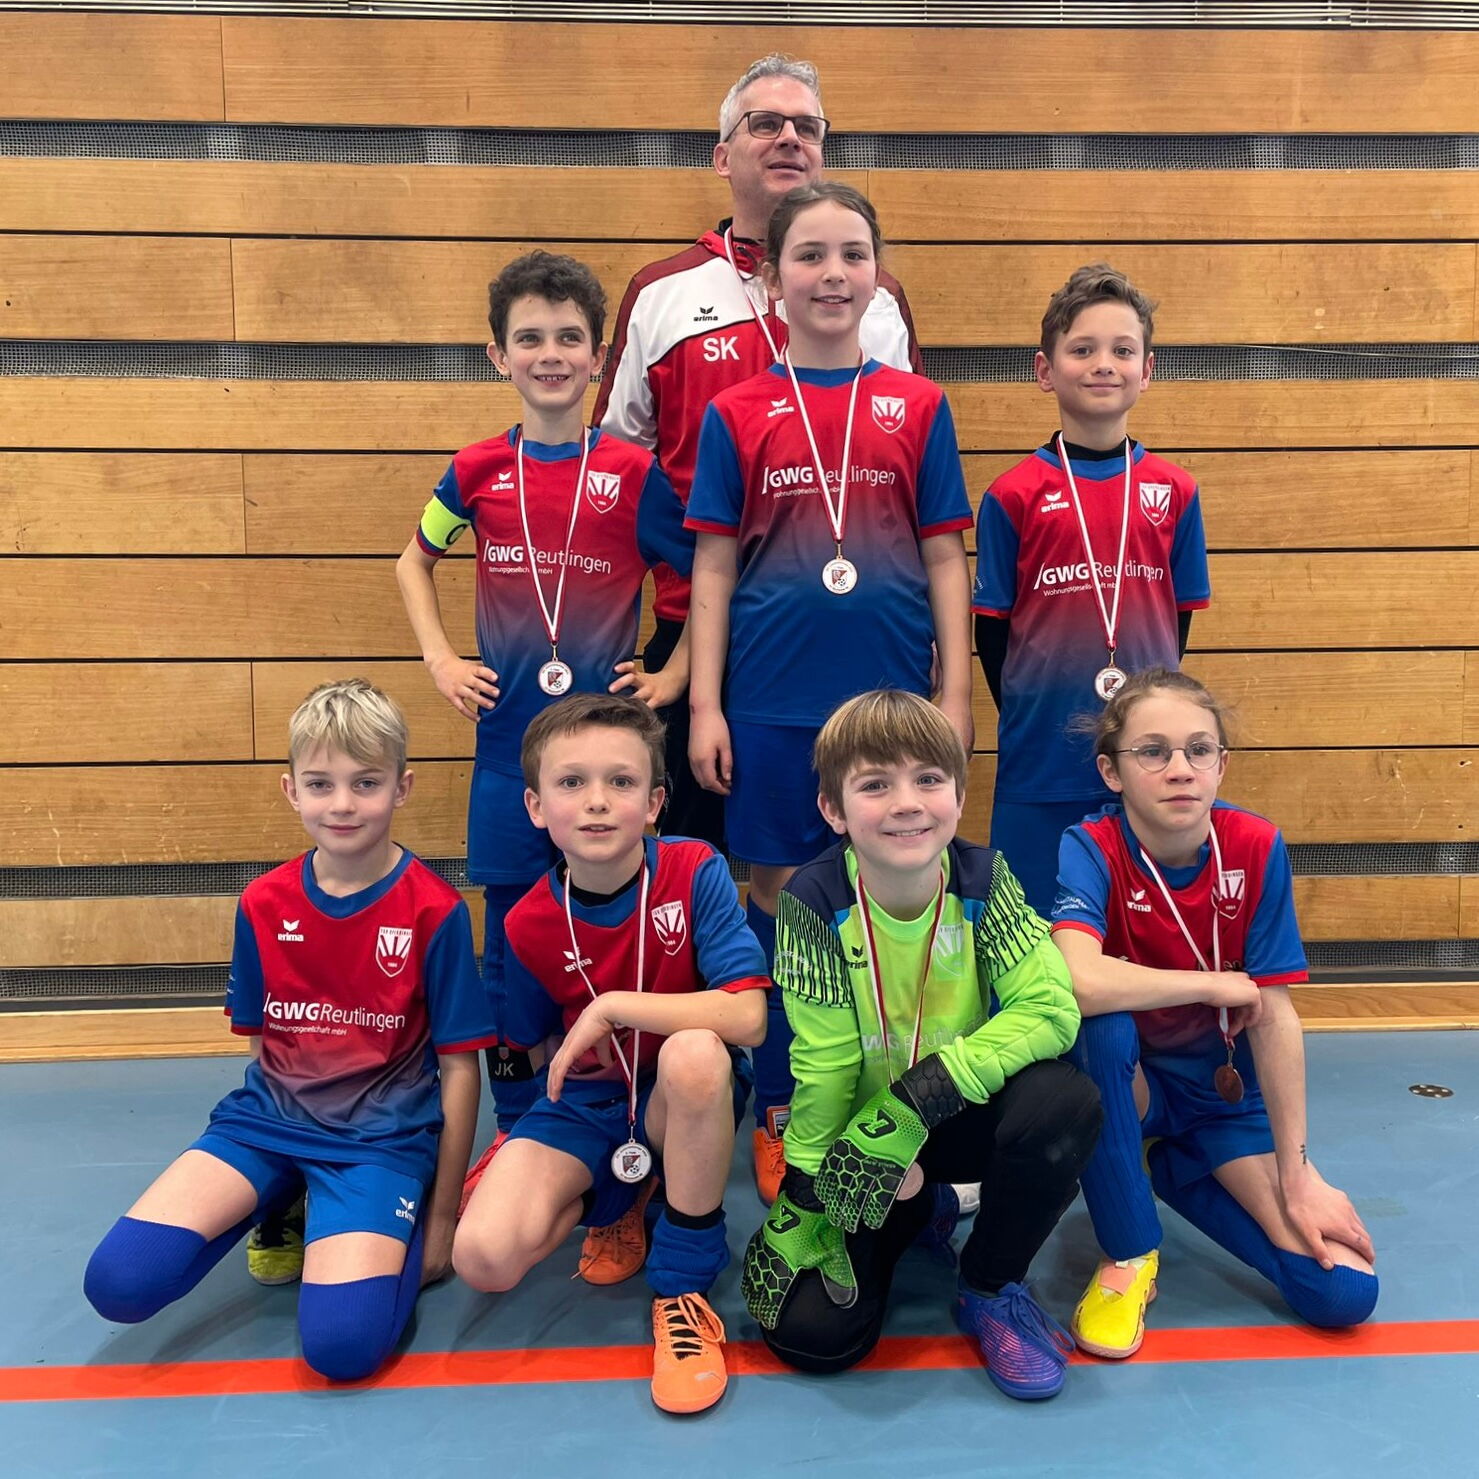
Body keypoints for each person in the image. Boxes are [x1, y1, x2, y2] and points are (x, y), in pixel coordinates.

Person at [685, 182, 972, 1202]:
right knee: (780, 906)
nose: (833, 273)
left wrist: (954, 693)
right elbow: (713, 567)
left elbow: (944, 556)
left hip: (892, 706)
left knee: (889, 898)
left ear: (876, 276)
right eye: (809, 255)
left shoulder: (918, 405)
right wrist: (707, 704)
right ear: (772, 277)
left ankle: (885, 1098)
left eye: (853, 253)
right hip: (770, 701)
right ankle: (781, 1102)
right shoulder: (736, 412)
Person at [83, 680, 495, 1382]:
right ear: (291, 790)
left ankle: (363, 1209)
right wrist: (262, 1148)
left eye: (366, 782)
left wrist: (443, 1220)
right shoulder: (263, 902)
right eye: (320, 783)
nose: (342, 804)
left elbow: (459, 1068)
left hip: (378, 1143)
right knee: (117, 1284)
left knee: (341, 1347)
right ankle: (280, 1192)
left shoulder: (435, 910)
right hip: (265, 1125)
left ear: (402, 788)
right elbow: (262, 1044)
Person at [395, 250, 694, 1167]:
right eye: (530, 338)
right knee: (510, 942)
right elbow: (413, 562)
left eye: (569, 338)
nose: (550, 354)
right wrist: (440, 657)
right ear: (499, 355)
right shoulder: (477, 470)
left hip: (605, 757)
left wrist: (675, 674)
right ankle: (520, 1123)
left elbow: (705, 578)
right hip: (507, 752)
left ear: (599, 358)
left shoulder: (633, 471)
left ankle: (629, 1116)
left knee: (620, 925)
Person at [595, 54, 923, 861]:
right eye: (765, 123)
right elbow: (615, 462)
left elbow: (909, 477)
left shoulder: (877, 298)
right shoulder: (661, 292)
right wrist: (685, 565)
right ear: (722, 155)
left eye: (806, 126)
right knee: (693, 858)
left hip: (844, 626)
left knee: (851, 854)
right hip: (694, 627)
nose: (788, 138)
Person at [740, 689, 1101, 1400]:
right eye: (875, 784)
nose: (906, 803)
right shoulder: (811, 903)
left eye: (928, 779)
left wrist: (921, 1095)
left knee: (1064, 1101)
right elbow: (824, 1063)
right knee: (811, 1335)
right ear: (834, 809)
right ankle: (916, 1207)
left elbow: (1050, 1009)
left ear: (959, 796)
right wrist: (807, 1185)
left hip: (950, 1111)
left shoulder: (985, 880)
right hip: (863, 1148)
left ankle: (988, 1286)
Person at [453, 694, 768, 1415]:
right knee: (484, 1256)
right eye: (571, 782)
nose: (596, 801)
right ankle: (622, 1191)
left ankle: (683, 1286)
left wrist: (612, 1006)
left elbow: (747, 1017)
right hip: (590, 1100)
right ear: (536, 806)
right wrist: (514, 1139)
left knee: (696, 1054)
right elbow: (525, 1043)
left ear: (654, 802)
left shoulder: (693, 868)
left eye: (621, 782)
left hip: (680, 1095)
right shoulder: (527, 920)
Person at [1050, 667, 1378, 1360]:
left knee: (1342, 1292)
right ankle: (1129, 1249)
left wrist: (1296, 1173)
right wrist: (1210, 985)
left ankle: (1168, 1166)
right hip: (1134, 1084)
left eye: (1198, 750)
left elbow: (1275, 1016)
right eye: (1153, 751)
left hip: (1219, 1093)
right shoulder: (1091, 845)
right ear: (1111, 771)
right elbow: (1076, 979)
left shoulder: (1255, 845)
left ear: (1220, 764)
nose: (1180, 769)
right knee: (1099, 1027)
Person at [972, 263, 1211, 915]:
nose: (1103, 364)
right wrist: (1031, 713)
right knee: (1029, 926)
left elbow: (1177, 622)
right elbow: (992, 632)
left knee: (1138, 925)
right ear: (1045, 369)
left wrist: (1150, 718)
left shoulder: (1174, 491)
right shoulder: (1012, 495)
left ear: (1147, 369)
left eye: (1122, 350)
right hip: (1041, 754)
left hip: (1145, 760)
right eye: (1082, 349)